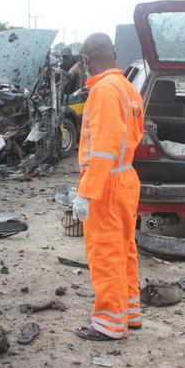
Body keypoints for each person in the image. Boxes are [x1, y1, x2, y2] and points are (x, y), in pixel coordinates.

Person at [72, 33, 144, 341]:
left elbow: (102, 148)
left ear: (87, 60)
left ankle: (109, 324)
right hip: (125, 178)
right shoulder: (128, 88)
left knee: (106, 253)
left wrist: (87, 192)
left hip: (108, 184)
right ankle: (129, 314)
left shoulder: (103, 91)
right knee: (125, 249)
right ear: (113, 53)